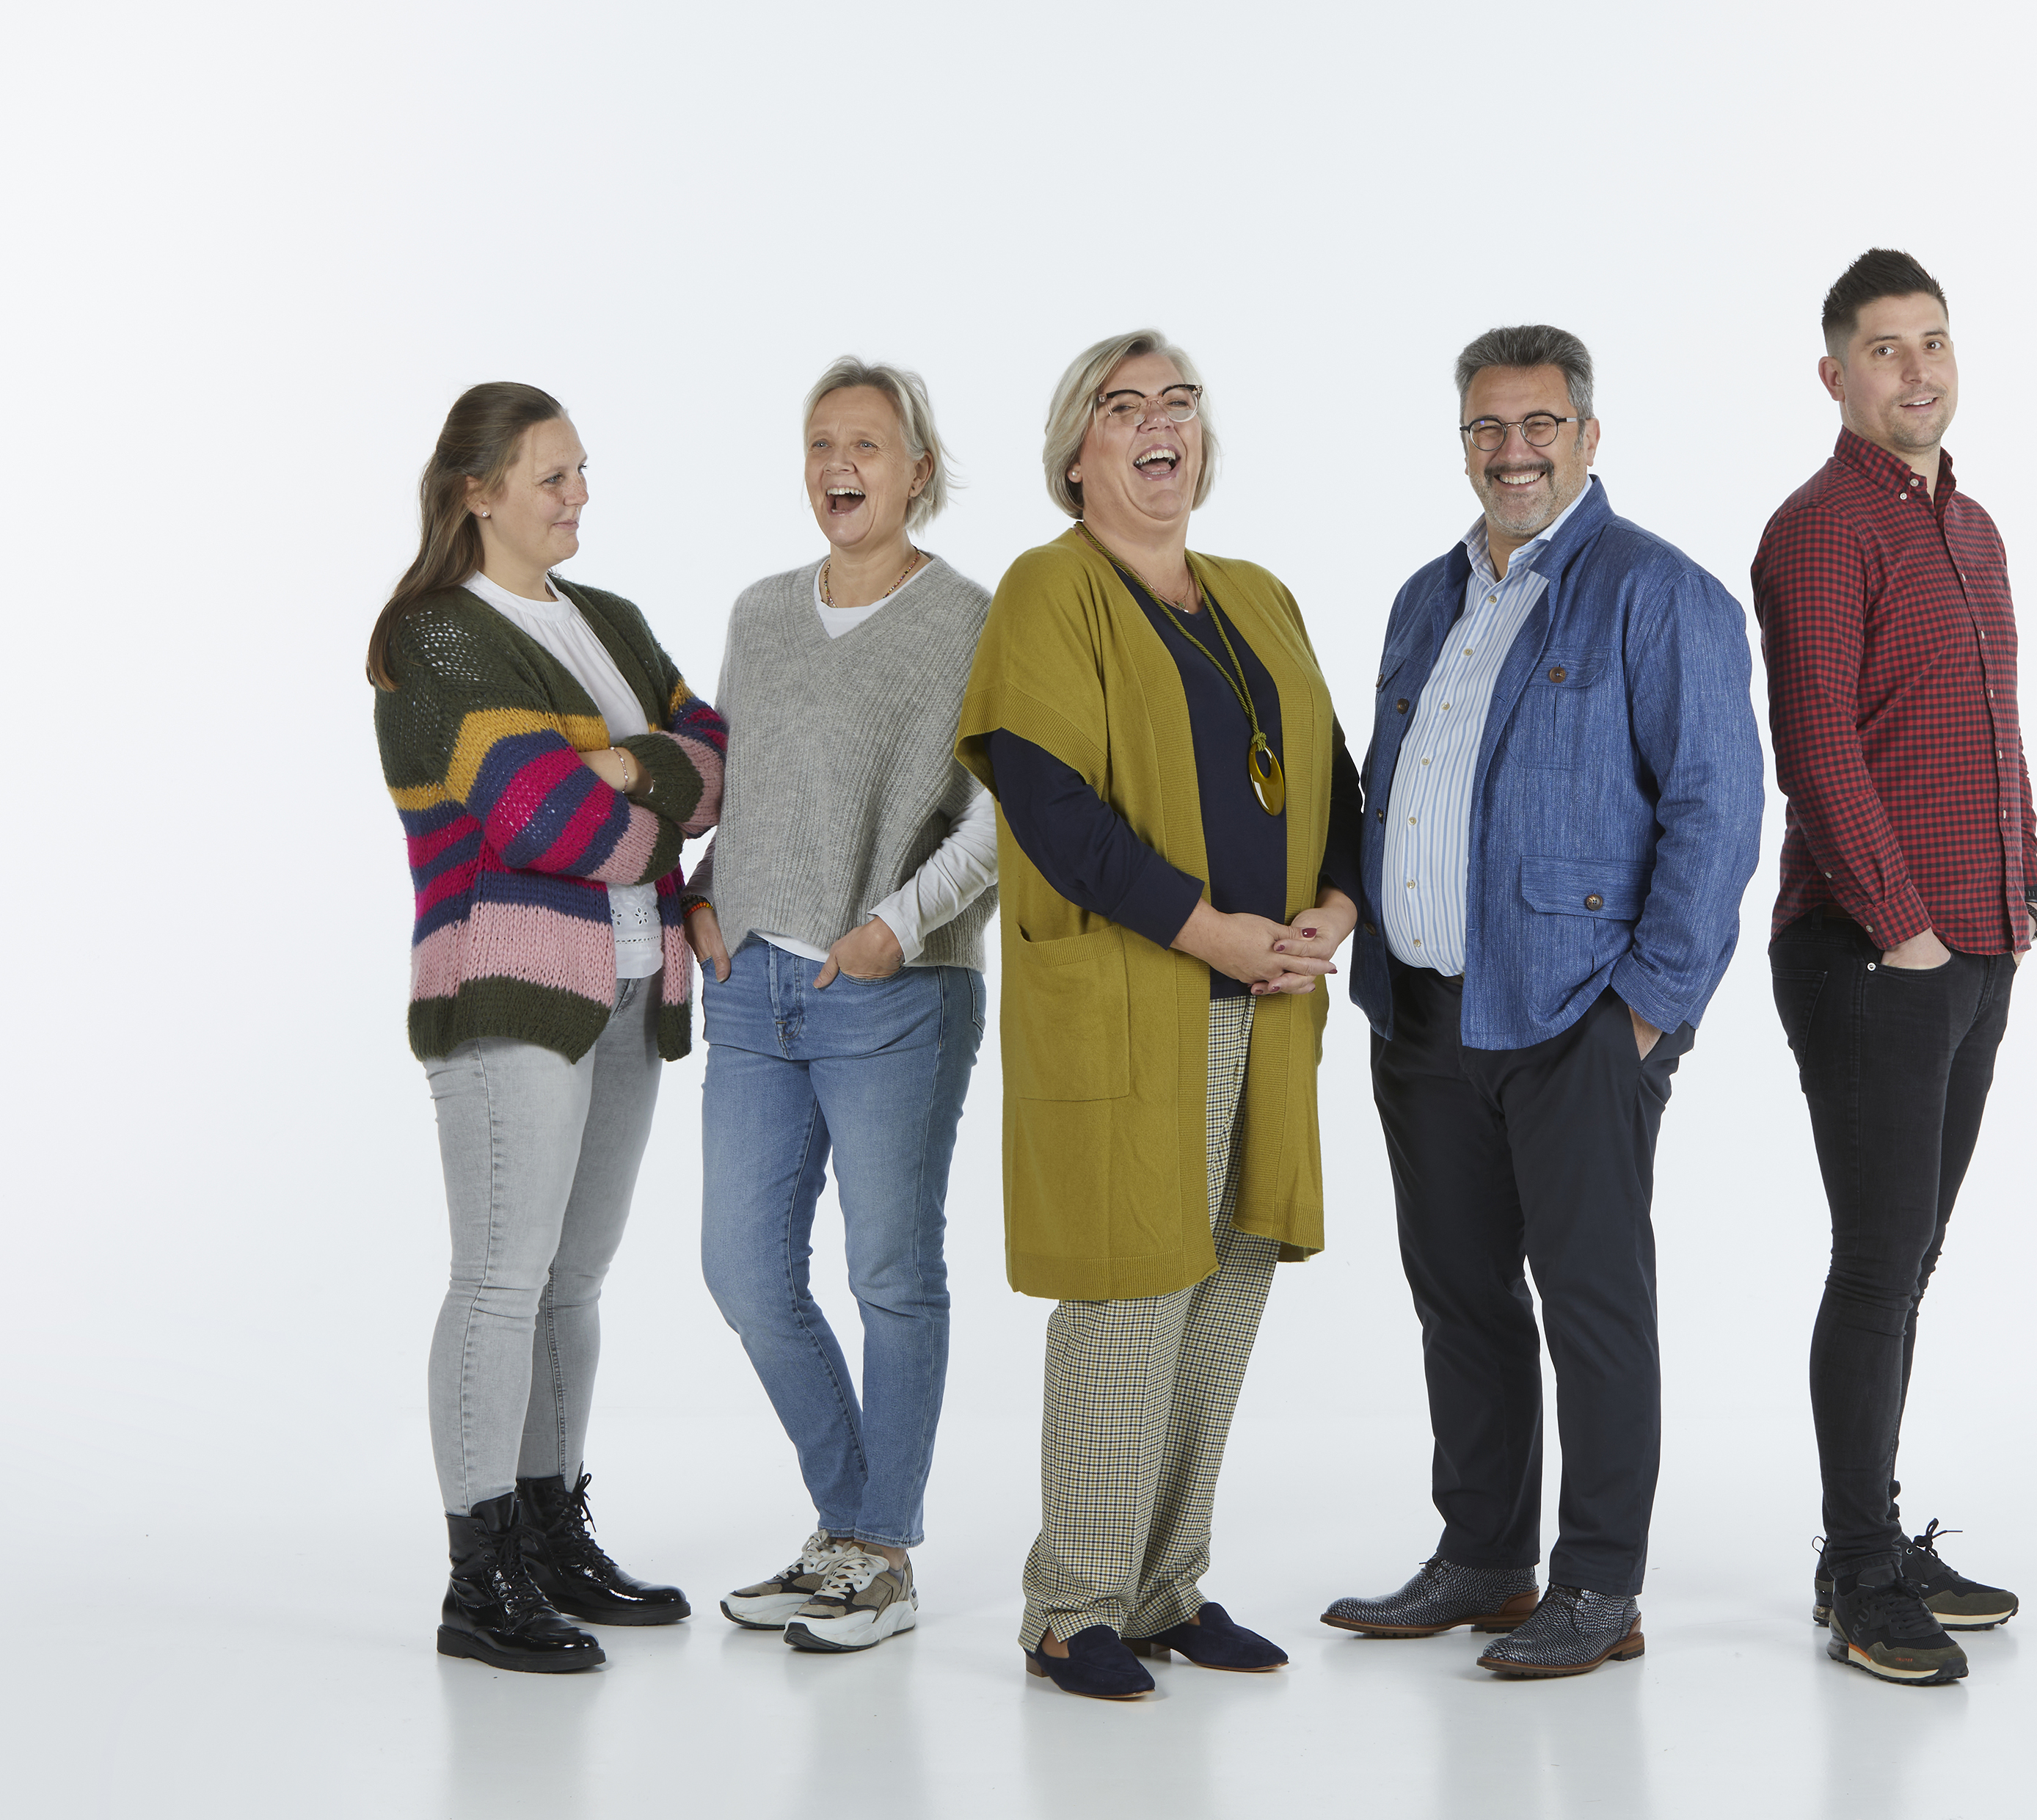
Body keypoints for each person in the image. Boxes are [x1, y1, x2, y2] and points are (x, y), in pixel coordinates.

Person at [1321, 325, 1763, 1681]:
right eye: (1487, 428)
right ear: (1463, 440)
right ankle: (1484, 1556)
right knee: (1460, 1297)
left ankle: (1600, 1587)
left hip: (1576, 1017)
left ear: (1587, 435)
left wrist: (1645, 1012)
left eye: (1539, 425)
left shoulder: (1659, 593)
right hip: (1425, 1016)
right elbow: (1389, 786)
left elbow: (1717, 811)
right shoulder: (1425, 598)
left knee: (1593, 1308)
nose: (1512, 452)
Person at [955, 329, 1363, 1701]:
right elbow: (1054, 813)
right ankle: (1072, 1608)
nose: (1158, 425)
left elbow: (1337, 778)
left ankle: (1164, 1589)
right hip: (1139, 999)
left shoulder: (1257, 595)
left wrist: (1335, 910)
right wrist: (1213, 932)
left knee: (1225, 1291)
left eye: (1178, 402)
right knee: (1131, 1295)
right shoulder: (1051, 589)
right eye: (1123, 407)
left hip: (1272, 1001)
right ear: (1077, 455)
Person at [367, 382, 726, 1672]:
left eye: (582, 472)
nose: (579, 497)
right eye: (551, 477)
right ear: (478, 493)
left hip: (635, 984)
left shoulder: (610, 620)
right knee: (500, 1277)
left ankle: (550, 1535)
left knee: (574, 1279)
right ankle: (480, 1582)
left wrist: (626, 770)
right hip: (507, 987)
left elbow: (718, 758)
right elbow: (540, 821)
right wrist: (651, 802)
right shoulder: (437, 638)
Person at [1752, 248, 2037, 1687]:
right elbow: (1816, 746)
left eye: (1933, 341)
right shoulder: (1820, 530)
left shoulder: (1972, 528)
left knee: (1910, 1259)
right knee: (1877, 1266)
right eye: (1885, 347)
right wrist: (1904, 927)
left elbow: (1994, 724)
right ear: (1835, 374)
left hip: (1977, 944)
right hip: (1872, 955)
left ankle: (1871, 1537)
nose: (1917, 369)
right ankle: (1858, 1572)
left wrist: (2022, 882)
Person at [683, 359, 996, 1654]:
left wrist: (895, 928)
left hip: (894, 992)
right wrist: (702, 894)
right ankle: (852, 1531)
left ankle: (880, 1553)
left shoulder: (970, 618)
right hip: (752, 984)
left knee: (891, 1276)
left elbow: (999, 818)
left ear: (918, 469)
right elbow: (738, 784)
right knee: (743, 1271)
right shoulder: (762, 612)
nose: (838, 466)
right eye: (820, 443)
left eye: (865, 444)